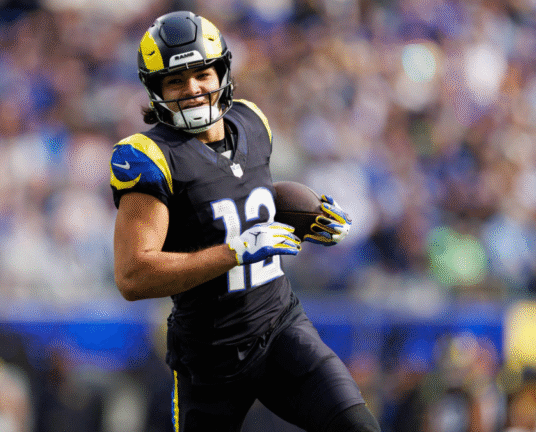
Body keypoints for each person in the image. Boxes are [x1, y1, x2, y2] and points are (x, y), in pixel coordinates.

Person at [110, 11, 380, 432]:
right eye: (175, 81)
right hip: (209, 354)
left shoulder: (252, 122)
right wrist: (234, 251)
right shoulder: (150, 156)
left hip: (281, 328)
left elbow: (239, 196)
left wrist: (307, 214)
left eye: (201, 73)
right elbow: (132, 275)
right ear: (155, 89)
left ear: (221, 72)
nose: (192, 89)